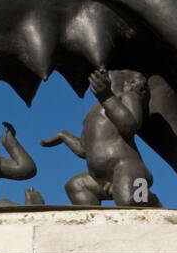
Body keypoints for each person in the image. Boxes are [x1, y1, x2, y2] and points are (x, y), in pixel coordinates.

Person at [41, 67, 161, 207]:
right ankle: (96, 225)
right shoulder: (92, 113)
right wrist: (63, 135)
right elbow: (84, 150)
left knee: (130, 200)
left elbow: (130, 126)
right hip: (99, 178)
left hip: (127, 168)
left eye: (116, 73)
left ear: (129, 83)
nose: (106, 73)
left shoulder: (127, 97)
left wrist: (107, 97)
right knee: (76, 186)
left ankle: (152, 201)